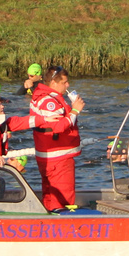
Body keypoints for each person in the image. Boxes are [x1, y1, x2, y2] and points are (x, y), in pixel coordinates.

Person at [29, 66, 86, 211]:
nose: (68, 85)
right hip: (58, 158)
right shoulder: (49, 102)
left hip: (49, 156)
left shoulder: (41, 97)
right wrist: (75, 111)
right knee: (62, 201)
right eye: (65, 82)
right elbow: (59, 126)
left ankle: (49, 226)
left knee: (50, 198)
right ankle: (63, 228)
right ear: (53, 83)